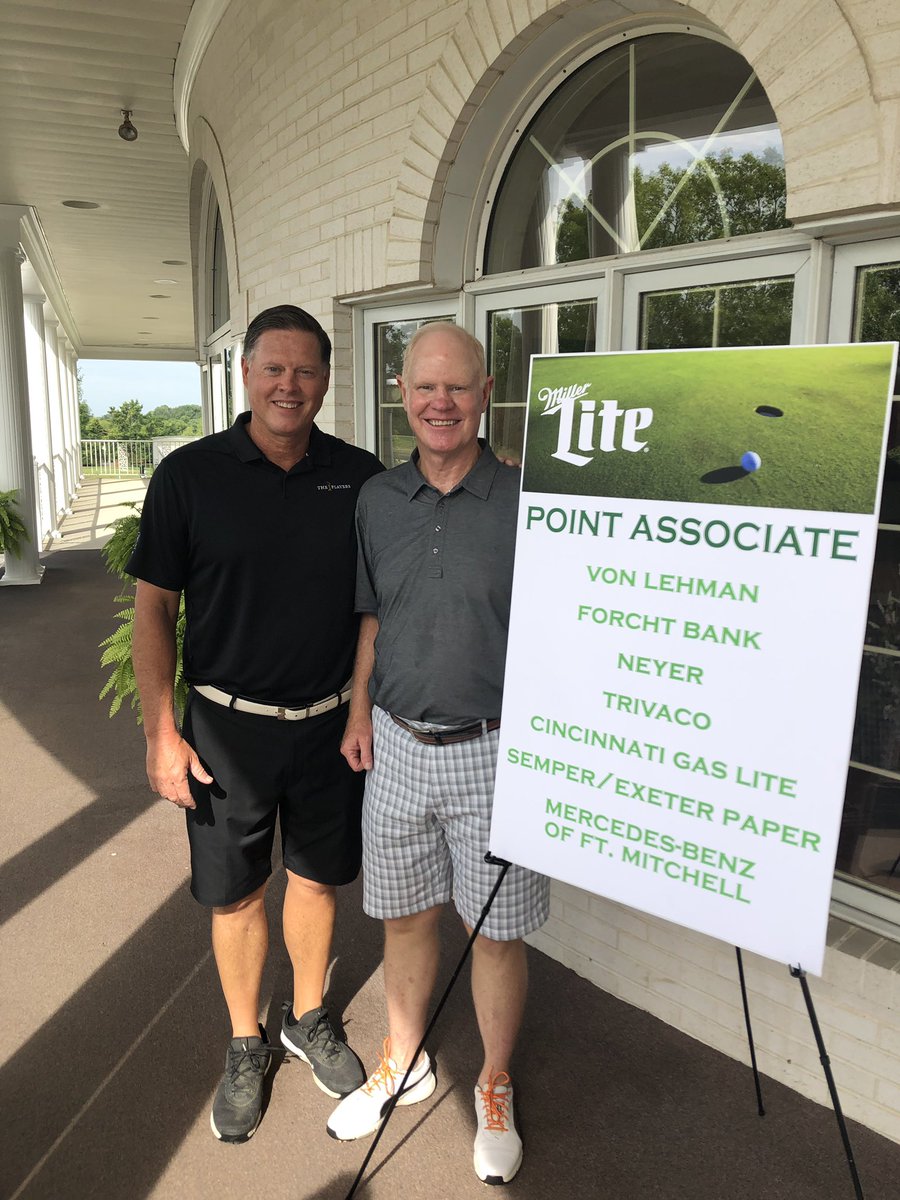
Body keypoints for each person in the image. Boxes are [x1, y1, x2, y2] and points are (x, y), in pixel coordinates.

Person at [127, 305, 383, 1144]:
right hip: (225, 731)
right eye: (274, 368)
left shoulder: (360, 476)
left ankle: (307, 1017)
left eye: (307, 371)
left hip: (325, 728)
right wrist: (161, 732)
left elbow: (372, 608)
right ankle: (246, 1042)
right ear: (246, 374)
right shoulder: (190, 475)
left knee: (315, 881)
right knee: (236, 895)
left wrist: (357, 708)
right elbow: (155, 609)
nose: (290, 385)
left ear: (326, 380)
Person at [329, 323, 550, 1184]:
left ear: (486, 392)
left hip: (495, 752)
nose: (440, 403)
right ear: (403, 393)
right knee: (405, 918)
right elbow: (372, 619)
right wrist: (357, 713)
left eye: (456, 387)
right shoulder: (378, 499)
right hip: (394, 745)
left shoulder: (527, 499)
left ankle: (493, 1082)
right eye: (425, 388)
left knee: (492, 933)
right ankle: (403, 1059)